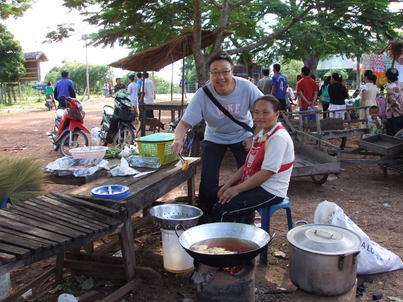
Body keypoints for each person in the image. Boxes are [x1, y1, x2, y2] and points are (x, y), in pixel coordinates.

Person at [172, 51, 263, 220]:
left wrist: (255, 139)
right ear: (209, 74)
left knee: (248, 175)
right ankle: (206, 218)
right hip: (215, 137)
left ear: (232, 71)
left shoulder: (247, 87)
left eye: (225, 71)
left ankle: (246, 216)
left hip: (243, 136)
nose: (220, 77)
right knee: (208, 179)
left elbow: (265, 116)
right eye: (215, 72)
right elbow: (184, 124)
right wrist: (178, 139)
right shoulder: (203, 94)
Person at [212, 95, 294, 223]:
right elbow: (247, 165)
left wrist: (237, 189)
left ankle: (224, 242)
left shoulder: (278, 137)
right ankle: (240, 233)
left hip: (271, 190)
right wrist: (228, 185)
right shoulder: (262, 133)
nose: (260, 116)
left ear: (276, 114)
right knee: (216, 194)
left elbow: (266, 173)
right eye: (256, 112)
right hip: (257, 182)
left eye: (265, 112)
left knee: (222, 209)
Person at [385, 68, 403, 136]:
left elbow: (393, 102)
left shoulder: (389, 87)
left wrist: (399, 112)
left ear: (388, 77)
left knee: (395, 136)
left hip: (395, 114)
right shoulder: (401, 84)